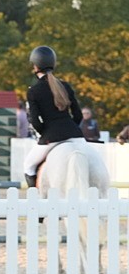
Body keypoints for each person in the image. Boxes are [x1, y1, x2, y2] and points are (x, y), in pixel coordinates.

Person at [22, 46, 84, 188]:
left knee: (29, 166)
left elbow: (36, 122)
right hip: (76, 135)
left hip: (51, 137)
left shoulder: (34, 91)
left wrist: (47, 133)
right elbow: (78, 116)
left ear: (35, 66)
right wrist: (70, 129)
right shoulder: (65, 86)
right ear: (53, 64)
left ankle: (35, 200)